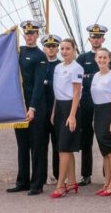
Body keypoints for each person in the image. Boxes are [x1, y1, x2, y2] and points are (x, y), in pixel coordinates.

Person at [8, 20, 47, 195]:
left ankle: (37, 184)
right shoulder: (18, 52)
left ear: (38, 35)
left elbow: (39, 85)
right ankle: (22, 181)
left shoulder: (40, 56)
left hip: (35, 108)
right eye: (27, 33)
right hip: (19, 108)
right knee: (22, 146)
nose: (29, 36)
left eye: (33, 33)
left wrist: (32, 108)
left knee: (37, 146)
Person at [74, 23, 111, 187]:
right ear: (89, 38)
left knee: (106, 140)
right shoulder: (82, 58)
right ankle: (86, 175)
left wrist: (88, 76)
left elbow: (107, 78)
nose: (96, 39)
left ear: (103, 38)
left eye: (99, 37)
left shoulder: (109, 56)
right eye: (93, 36)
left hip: (104, 105)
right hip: (85, 103)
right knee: (86, 140)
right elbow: (77, 81)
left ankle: (109, 175)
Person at [46, 38, 82, 198]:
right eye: (63, 48)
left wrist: (72, 115)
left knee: (63, 148)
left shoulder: (77, 68)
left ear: (74, 50)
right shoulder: (58, 67)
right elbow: (57, 91)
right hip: (59, 107)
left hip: (70, 107)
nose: (64, 51)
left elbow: (76, 93)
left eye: (68, 48)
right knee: (66, 147)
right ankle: (72, 181)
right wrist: (54, 111)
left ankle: (61, 185)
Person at [88, 47, 111, 197]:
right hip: (98, 113)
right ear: (96, 59)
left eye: (104, 58)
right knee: (105, 152)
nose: (102, 60)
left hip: (109, 113)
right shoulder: (95, 76)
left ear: (109, 60)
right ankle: (107, 182)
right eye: (99, 57)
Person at [30, 33, 62, 190]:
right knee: (40, 145)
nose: (50, 49)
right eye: (48, 46)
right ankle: (40, 177)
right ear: (43, 48)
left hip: (57, 110)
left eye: (53, 46)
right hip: (41, 110)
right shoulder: (40, 63)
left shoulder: (61, 66)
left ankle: (57, 176)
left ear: (57, 48)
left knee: (58, 145)